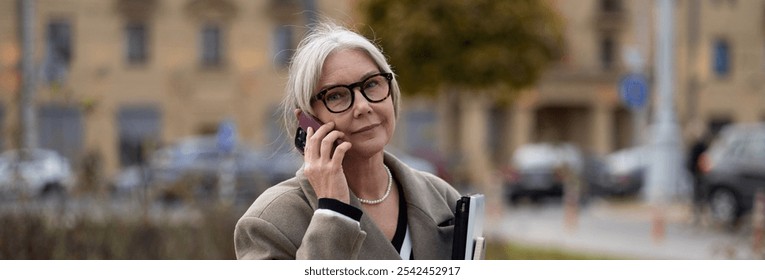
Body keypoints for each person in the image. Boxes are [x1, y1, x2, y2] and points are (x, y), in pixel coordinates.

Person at [233, 21, 462, 260]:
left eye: (372, 84)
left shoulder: (443, 197)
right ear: (308, 120)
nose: (363, 106)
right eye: (337, 95)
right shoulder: (268, 222)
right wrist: (334, 214)